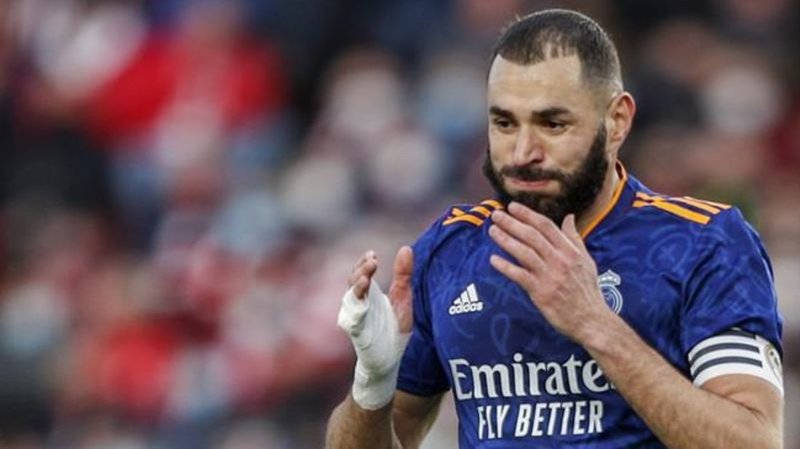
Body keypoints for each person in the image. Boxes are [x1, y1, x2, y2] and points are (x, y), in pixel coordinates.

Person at [326, 8, 784, 449]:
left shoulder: (703, 243)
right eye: (504, 123)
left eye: (553, 123)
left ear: (617, 121)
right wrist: (372, 384)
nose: (523, 151)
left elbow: (754, 441)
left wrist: (595, 324)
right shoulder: (450, 250)